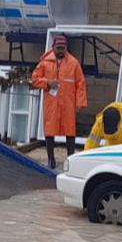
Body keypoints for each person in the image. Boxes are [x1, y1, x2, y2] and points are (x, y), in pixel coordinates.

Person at [31, 33, 87, 169]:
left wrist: (80, 102)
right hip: (52, 102)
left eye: (63, 48)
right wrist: (48, 82)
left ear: (66, 47)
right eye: (58, 48)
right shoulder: (45, 62)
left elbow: (80, 83)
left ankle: (70, 159)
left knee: (70, 130)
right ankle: (51, 159)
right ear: (53, 47)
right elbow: (34, 79)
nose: (60, 51)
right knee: (50, 130)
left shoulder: (73, 63)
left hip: (68, 102)